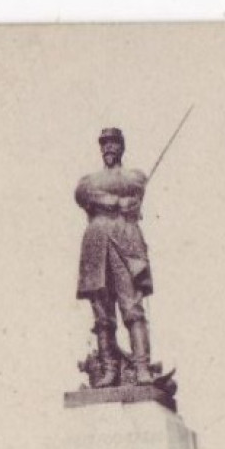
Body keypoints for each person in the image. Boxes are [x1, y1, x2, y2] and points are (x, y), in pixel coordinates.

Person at [75, 128, 154, 386]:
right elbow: (81, 191)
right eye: (104, 144)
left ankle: (142, 367)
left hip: (124, 242)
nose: (108, 149)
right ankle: (109, 369)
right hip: (96, 246)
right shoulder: (91, 179)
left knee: (132, 307)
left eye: (113, 144)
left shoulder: (132, 176)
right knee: (102, 312)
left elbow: (135, 183)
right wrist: (111, 200)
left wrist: (104, 198)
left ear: (121, 148)